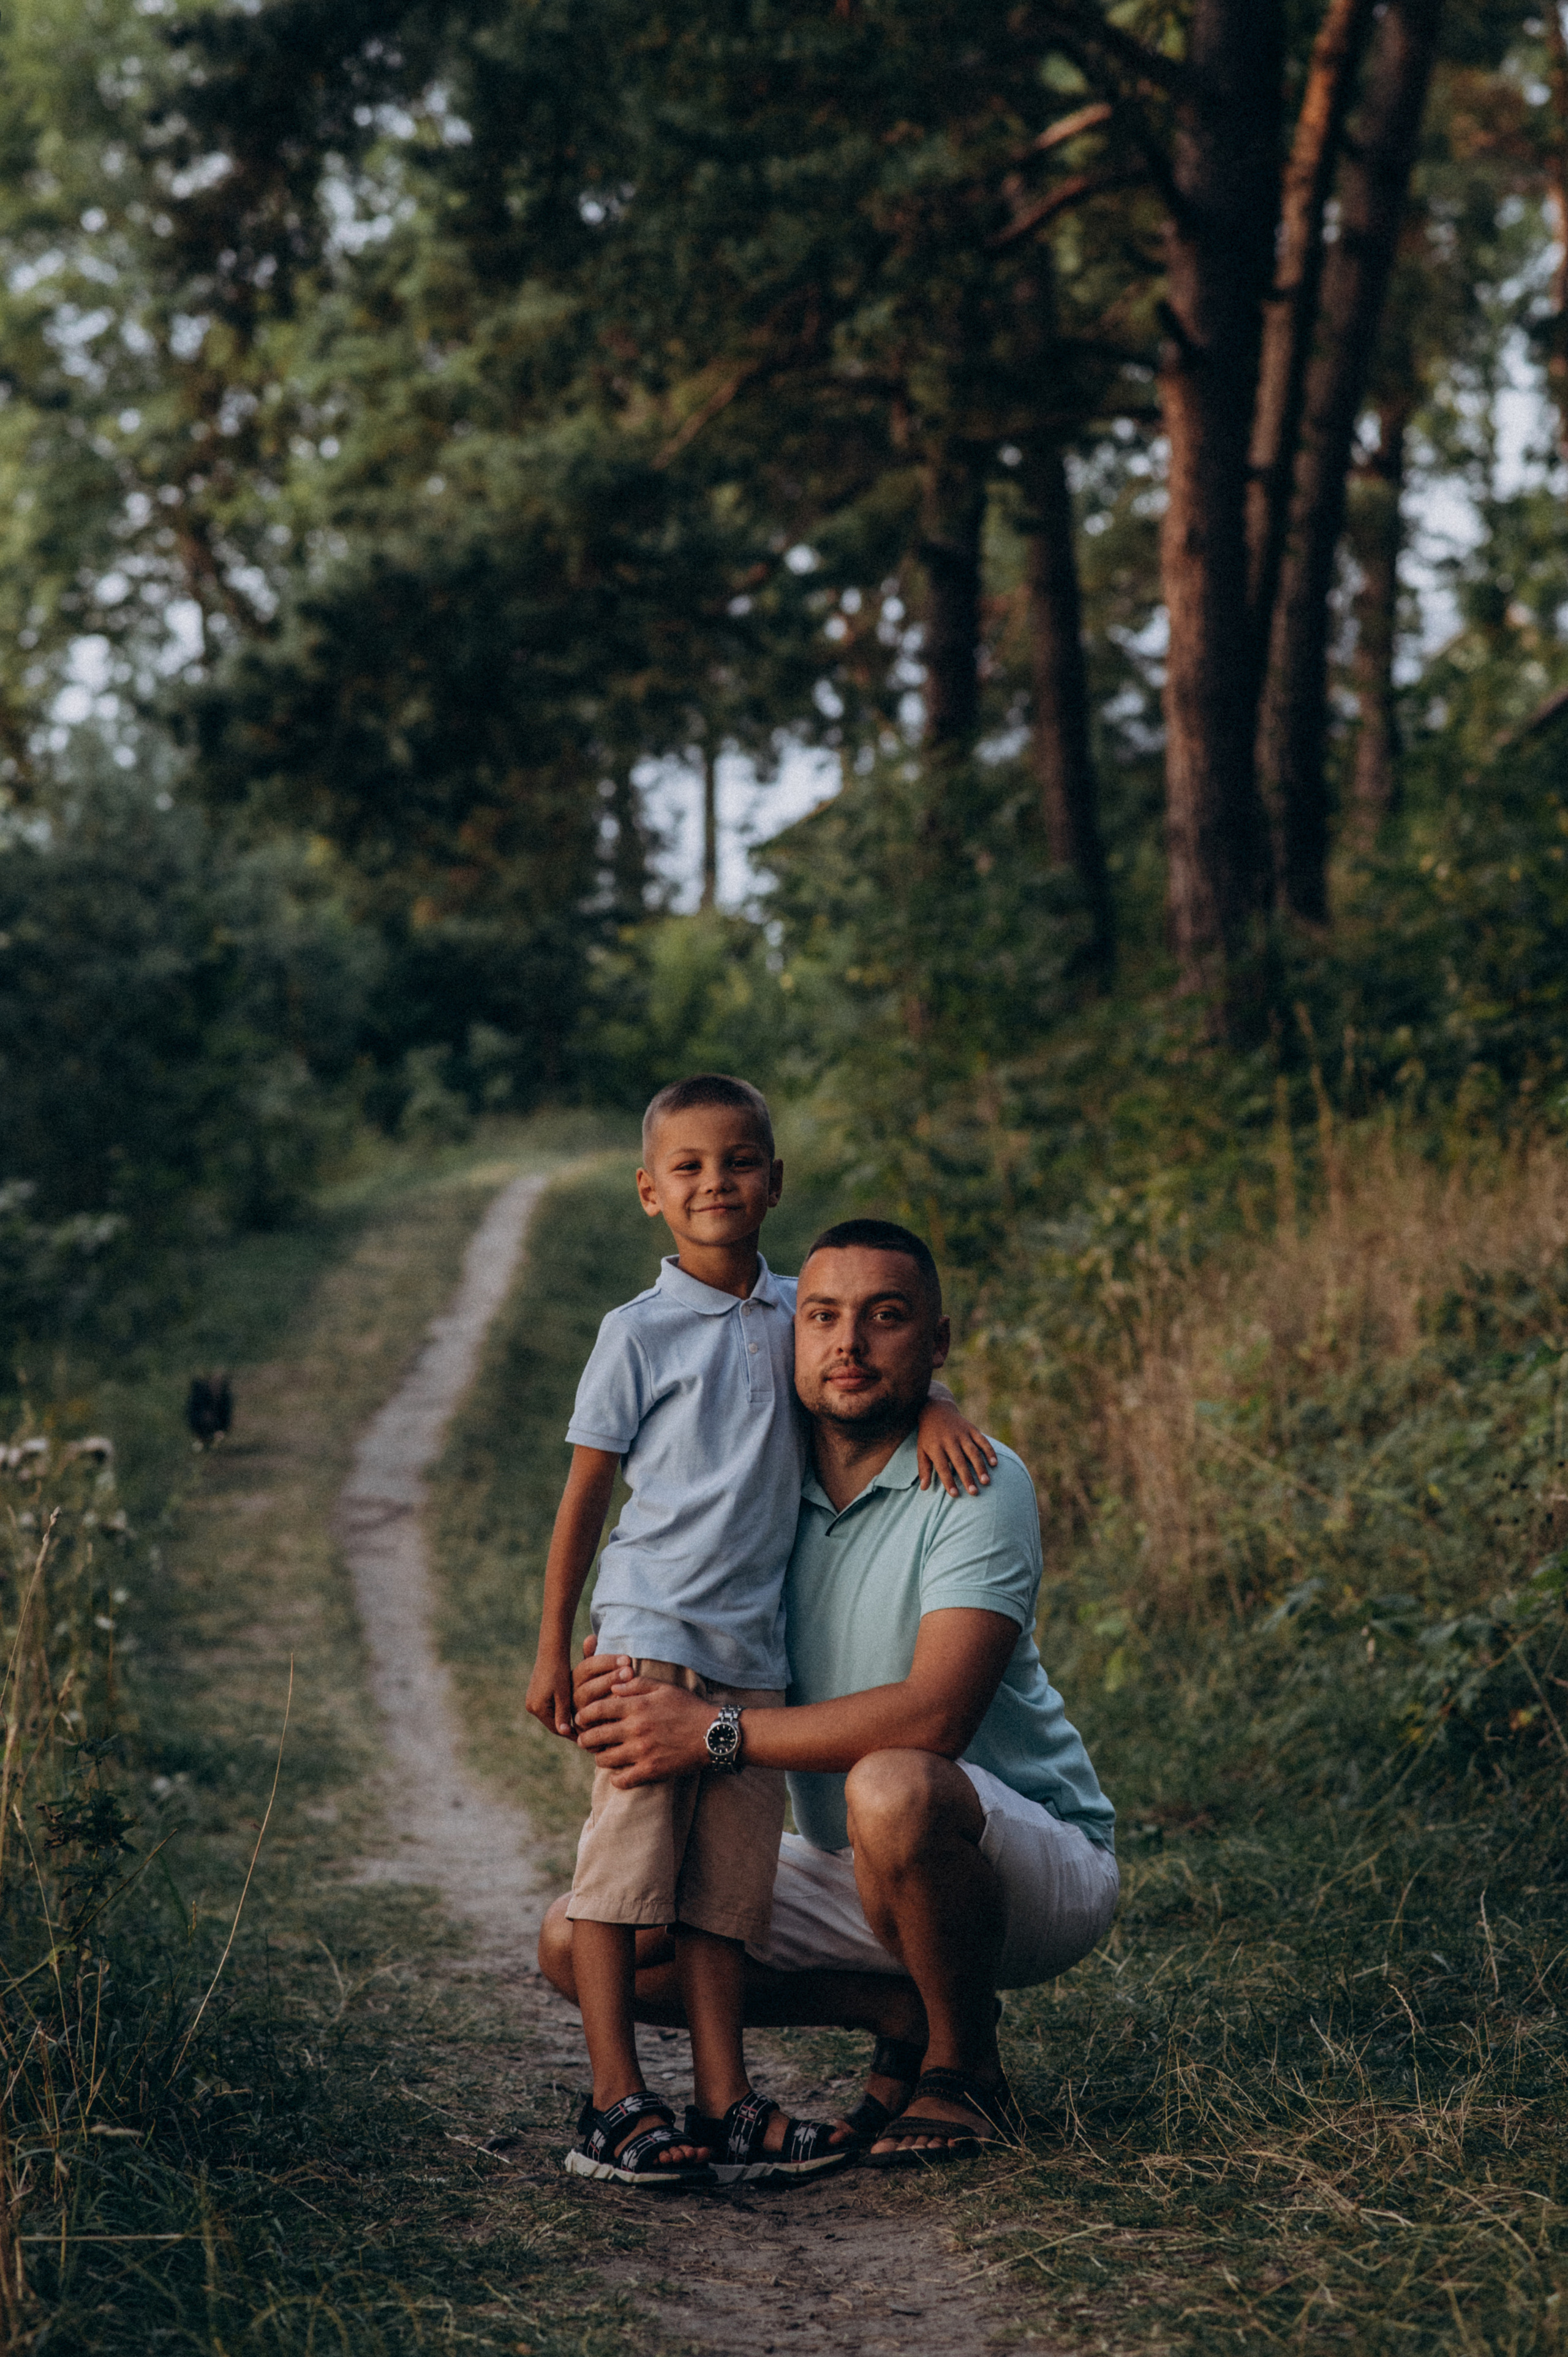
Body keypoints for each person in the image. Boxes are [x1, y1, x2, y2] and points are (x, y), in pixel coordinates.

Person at [542, 1219, 1118, 2165]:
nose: (849, 1344)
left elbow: (939, 1718)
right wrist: (630, 1663)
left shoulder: (977, 1481)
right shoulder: (761, 1486)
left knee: (894, 1781)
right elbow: (667, 1539)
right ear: (789, 1338)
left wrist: (710, 1733)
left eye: (886, 1319)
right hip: (854, 1859)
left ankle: (965, 2071)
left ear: (936, 1345)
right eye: (824, 1318)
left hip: (1021, 1860)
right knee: (574, 1937)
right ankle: (899, 2013)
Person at [525, 1081, 995, 2186]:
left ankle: (727, 2101)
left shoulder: (801, 1312)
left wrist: (935, 1403)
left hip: (753, 1659)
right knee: (621, 1876)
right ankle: (611, 2102)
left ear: (775, 1182)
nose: (716, 1183)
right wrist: (555, 1643)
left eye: (740, 1162)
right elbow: (584, 1497)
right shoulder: (635, 1334)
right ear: (650, 1193)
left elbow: (863, 1374)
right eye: (687, 1168)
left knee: (723, 1899)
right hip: (649, 1637)